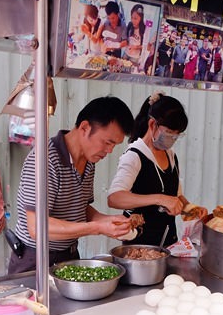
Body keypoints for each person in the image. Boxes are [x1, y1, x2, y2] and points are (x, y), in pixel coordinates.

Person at [8, 96, 136, 274]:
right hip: (34, 259)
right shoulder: (45, 160)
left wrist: (108, 221)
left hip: (69, 255)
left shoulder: (89, 161)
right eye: (107, 142)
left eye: (114, 145)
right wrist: (97, 228)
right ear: (84, 127)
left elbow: (81, 208)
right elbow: (37, 227)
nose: (109, 151)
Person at [108, 92, 207, 247]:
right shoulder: (134, 155)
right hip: (139, 249)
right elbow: (114, 198)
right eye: (169, 133)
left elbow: (176, 196)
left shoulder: (171, 156)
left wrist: (190, 209)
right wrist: (160, 198)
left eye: (177, 135)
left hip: (168, 244)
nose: (172, 138)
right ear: (152, 125)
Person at [124, 3, 145, 68]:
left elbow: (145, 46)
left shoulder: (143, 29)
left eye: (135, 18)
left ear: (141, 18)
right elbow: (126, 37)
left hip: (135, 57)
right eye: (132, 17)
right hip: (126, 53)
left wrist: (135, 47)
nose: (133, 20)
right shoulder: (130, 25)